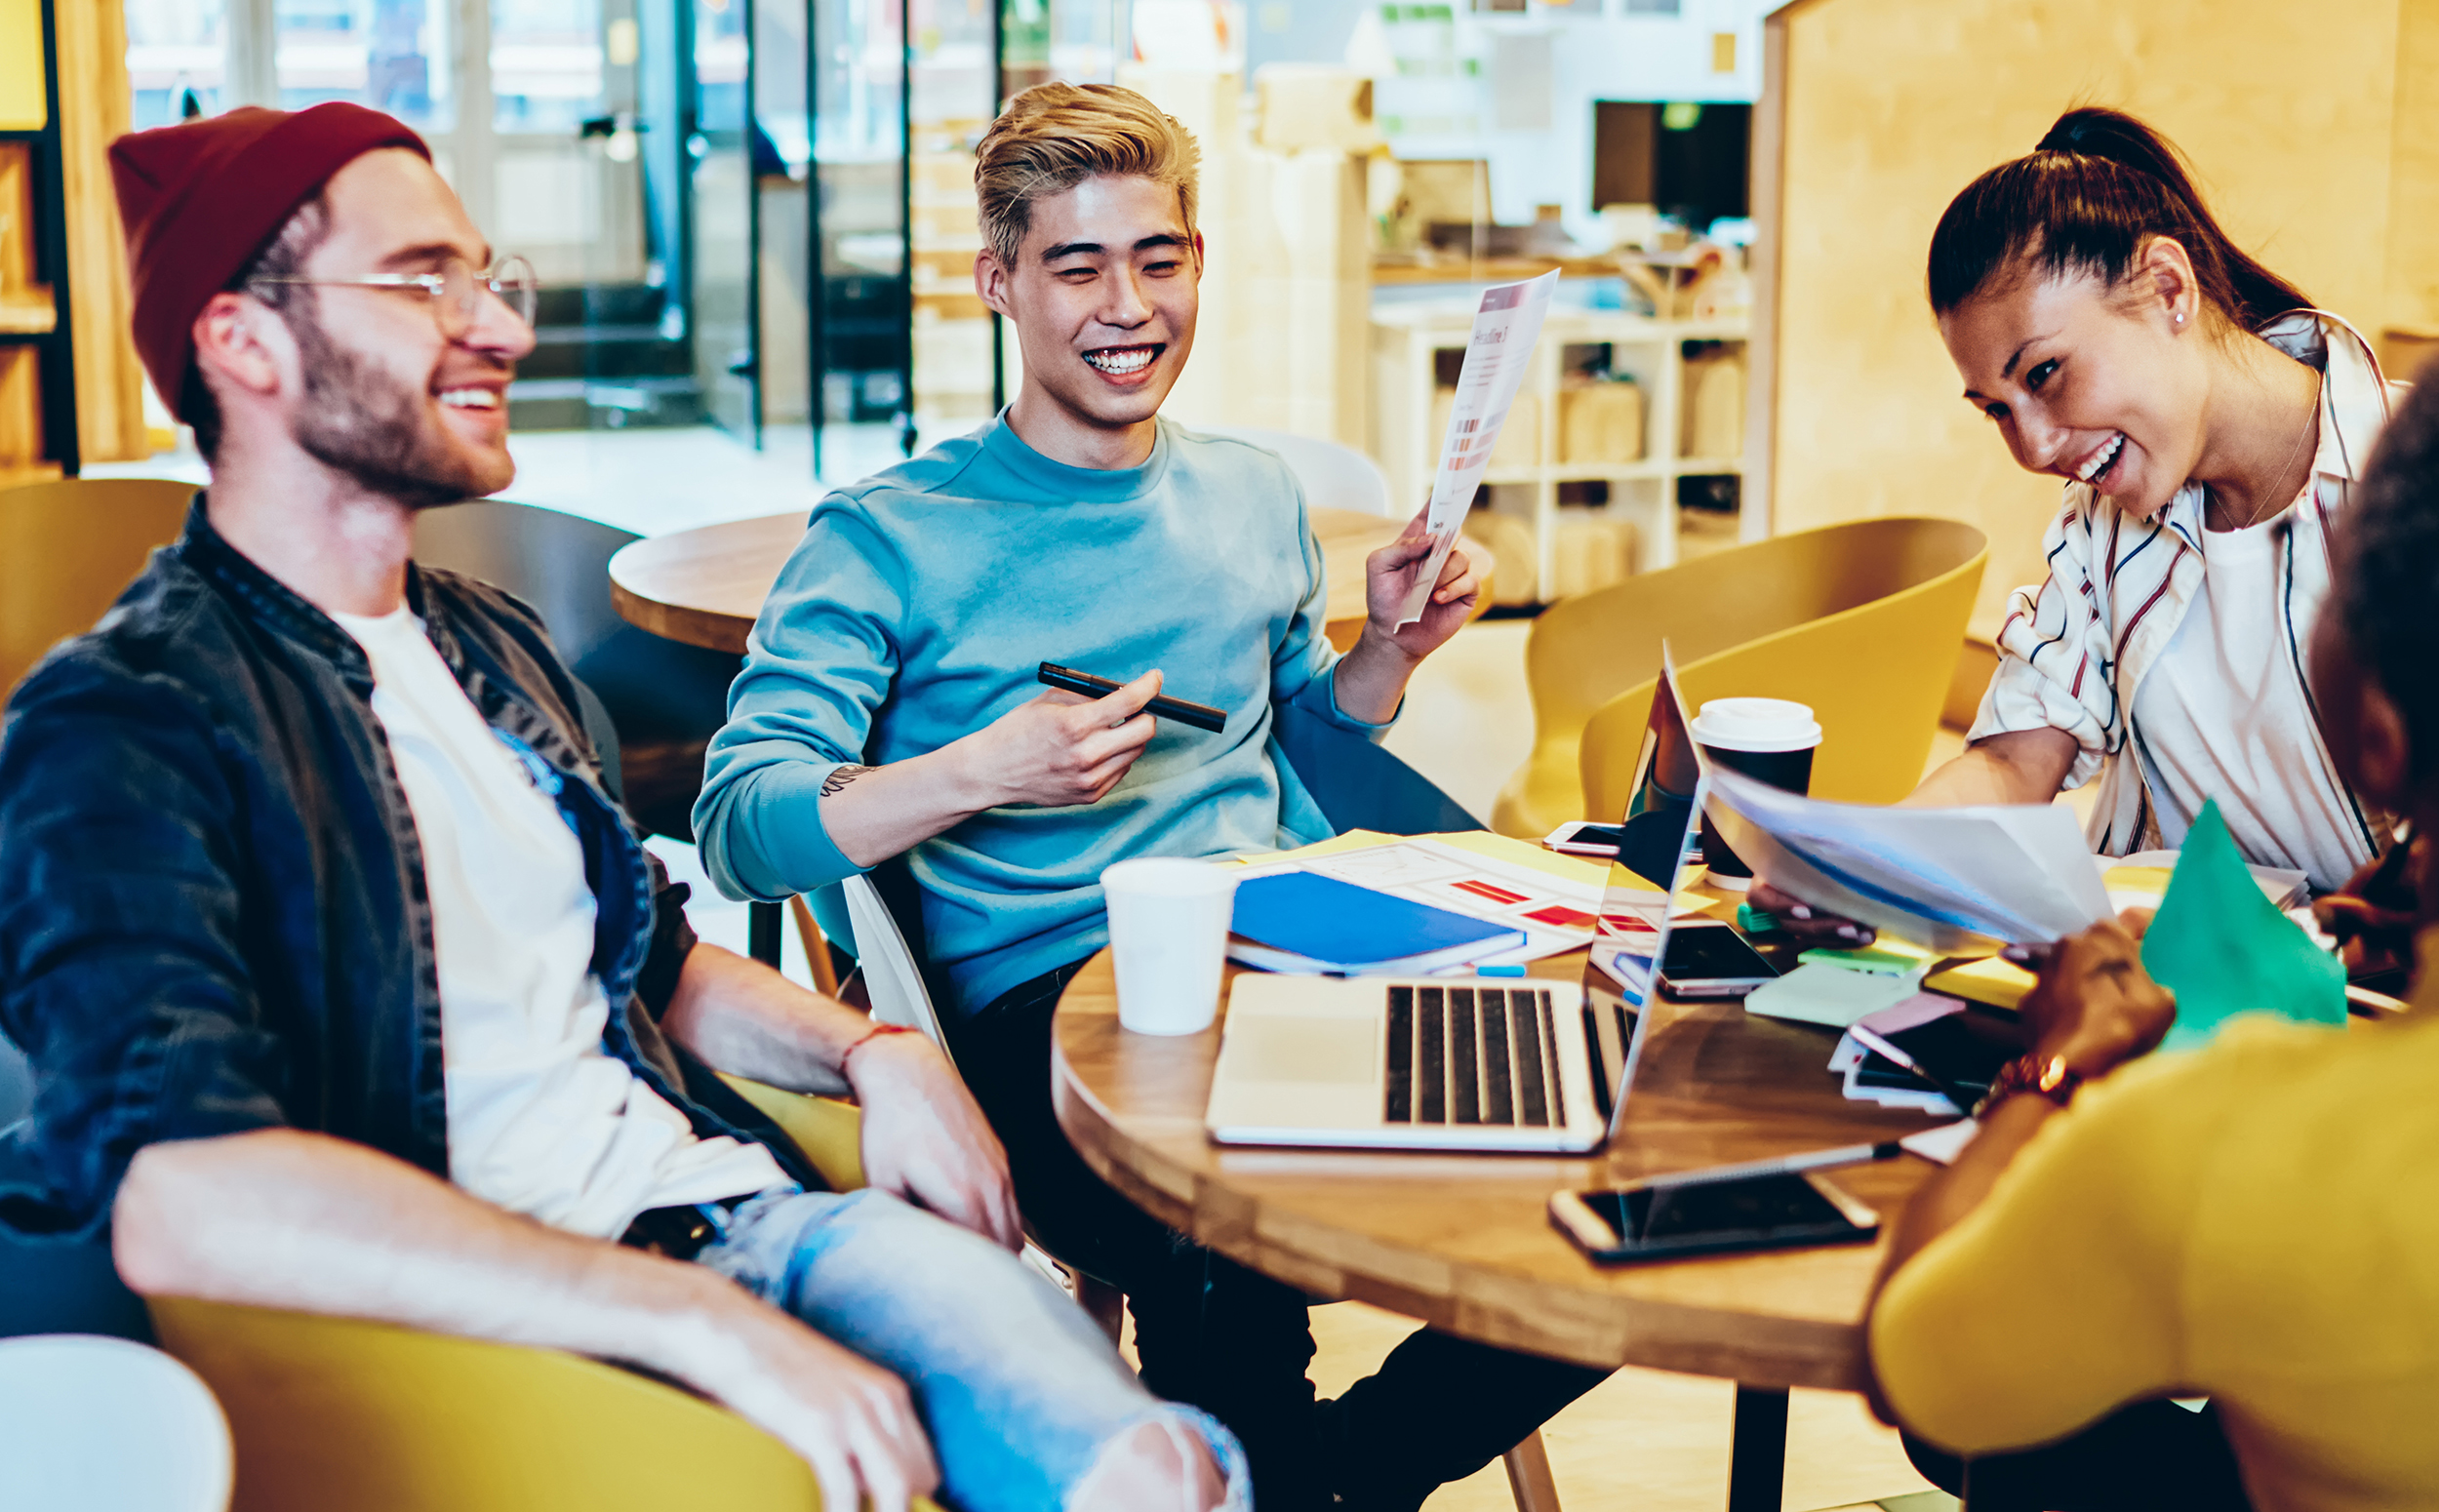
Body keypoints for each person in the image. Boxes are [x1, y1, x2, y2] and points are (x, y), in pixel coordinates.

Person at [0, 102, 1246, 1512]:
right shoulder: (124, 722)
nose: (499, 329)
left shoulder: (486, 640)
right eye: (425, 283)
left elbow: (654, 958)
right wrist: (697, 1320)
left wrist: (878, 1051)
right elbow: (180, 1195)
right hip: (473, 1333)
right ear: (242, 340)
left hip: (730, 1216)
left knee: (1156, 1469)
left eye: (492, 279)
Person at [692, 81, 1605, 1512]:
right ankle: (1306, 1473)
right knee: (1229, 1224)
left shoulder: (1251, 496)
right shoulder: (885, 538)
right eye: (1077, 265)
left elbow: (1296, 740)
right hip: (1054, 1019)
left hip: (1295, 946)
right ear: (999, 280)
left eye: (1159, 258)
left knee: (1612, 1147)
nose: (1130, 307)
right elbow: (741, 826)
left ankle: (1317, 1482)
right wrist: (978, 769)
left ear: (1197, 260)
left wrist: (1386, 656)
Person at [1863, 371, 2439, 1511]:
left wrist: (2059, 1061)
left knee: (2028, 1433)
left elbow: (1914, 1357)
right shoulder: (2102, 528)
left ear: (2375, 729)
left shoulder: (2230, 1138)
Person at [1755, 105, 2405, 945]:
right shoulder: (2100, 523)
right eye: (1997, 410)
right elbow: (2011, 762)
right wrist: (1867, 863)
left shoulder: (2407, 489)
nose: (2032, 445)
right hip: (2138, 1001)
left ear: (2168, 289)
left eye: (2047, 373)